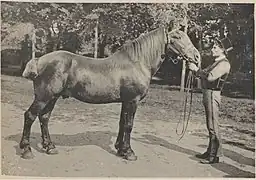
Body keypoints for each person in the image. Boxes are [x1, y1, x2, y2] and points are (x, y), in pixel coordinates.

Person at [187, 37, 233, 164]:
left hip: (213, 94)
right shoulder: (216, 62)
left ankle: (213, 156)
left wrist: (196, 70)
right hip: (208, 94)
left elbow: (210, 77)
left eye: (215, 47)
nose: (212, 49)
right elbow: (204, 73)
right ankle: (210, 151)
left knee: (213, 125)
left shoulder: (224, 63)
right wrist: (195, 67)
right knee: (210, 124)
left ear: (222, 50)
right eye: (213, 47)